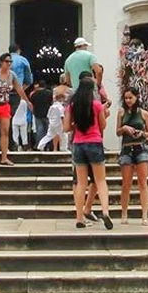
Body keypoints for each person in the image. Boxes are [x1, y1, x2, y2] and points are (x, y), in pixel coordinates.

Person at [64, 74, 113, 229]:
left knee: (81, 183)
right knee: (100, 180)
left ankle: (79, 218)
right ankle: (105, 211)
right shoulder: (97, 105)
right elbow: (102, 126)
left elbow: (66, 128)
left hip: (78, 144)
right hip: (95, 143)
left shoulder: (72, 106)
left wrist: (76, 125)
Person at [0, 53, 33, 167]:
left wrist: (27, 101)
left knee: (5, 131)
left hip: (5, 105)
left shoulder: (12, 75)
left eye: (10, 62)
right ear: (1, 62)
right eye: (6, 61)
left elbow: (19, 89)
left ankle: (4, 157)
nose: (9, 64)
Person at [117, 88, 148, 225]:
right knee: (126, 184)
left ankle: (144, 215)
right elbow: (118, 132)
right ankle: (124, 213)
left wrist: (142, 133)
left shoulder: (144, 113)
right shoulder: (121, 112)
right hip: (126, 148)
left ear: (136, 97)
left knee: (142, 182)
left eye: (130, 98)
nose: (128, 100)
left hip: (140, 148)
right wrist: (125, 128)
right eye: (126, 98)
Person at [8, 44, 32, 150]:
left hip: (4, 91)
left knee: (5, 118)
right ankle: (13, 143)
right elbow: (29, 79)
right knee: (12, 116)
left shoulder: (4, 60)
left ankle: (8, 142)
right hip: (16, 92)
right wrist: (21, 88)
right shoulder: (23, 60)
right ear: (18, 50)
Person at [30, 80, 53, 147]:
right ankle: (48, 145)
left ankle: (39, 145)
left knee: (39, 130)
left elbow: (32, 103)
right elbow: (51, 102)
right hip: (47, 114)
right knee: (48, 130)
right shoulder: (49, 93)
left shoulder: (34, 94)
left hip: (37, 114)